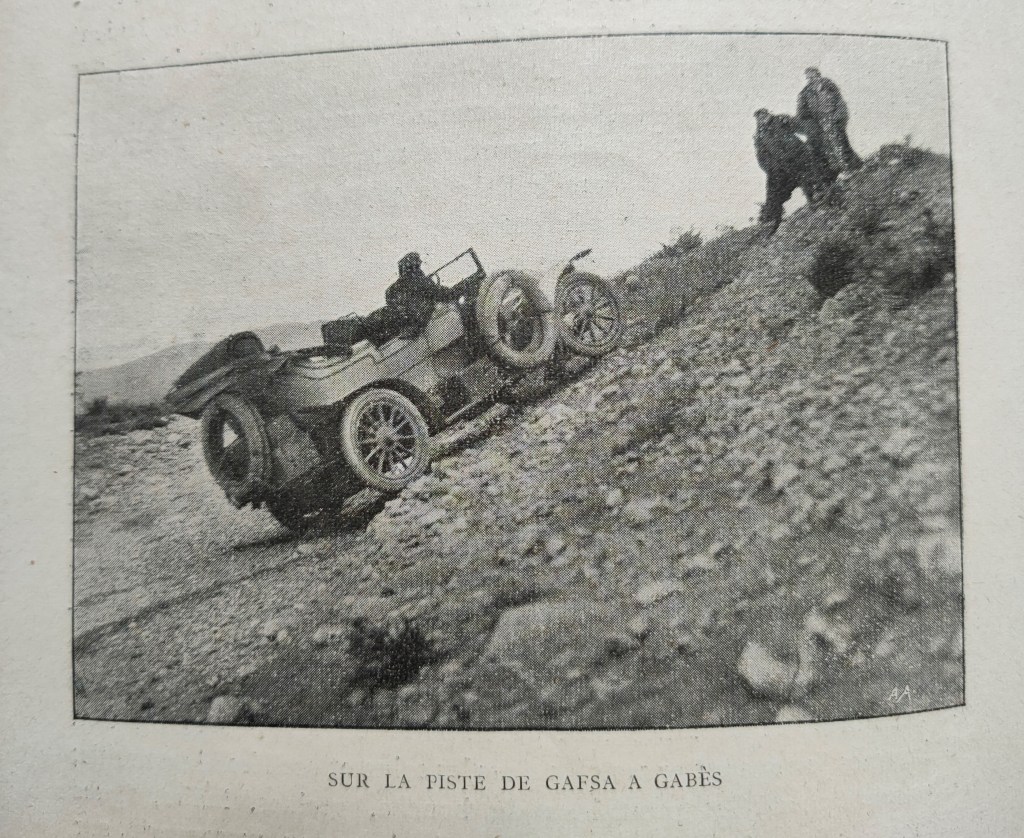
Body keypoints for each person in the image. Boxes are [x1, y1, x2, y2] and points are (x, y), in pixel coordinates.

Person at [753, 109, 830, 236]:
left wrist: (811, 140)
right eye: (759, 118)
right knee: (774, 192)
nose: (762, 118)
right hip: (782, 166)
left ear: (768, 113)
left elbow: (801, 126)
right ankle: (771, 221)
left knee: (812, 180)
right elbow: (762, 158)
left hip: (799, 156)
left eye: (763, 115)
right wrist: (773, 169)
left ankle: (821, 200)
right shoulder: (760, 136)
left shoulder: (781, 120)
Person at [796, 67, 861, 176]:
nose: (811, 79)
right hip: (820, 123)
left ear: (818, 75)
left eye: (813, 76)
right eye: (809, 77)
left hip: (834, 119)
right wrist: (811, 127)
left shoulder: (829, 86)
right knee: (829, 148)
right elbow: (802, 114)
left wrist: (839, 118)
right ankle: (845, 170)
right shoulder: (805, 94)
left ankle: (852, 167)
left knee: (841, 144)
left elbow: (839, 102)